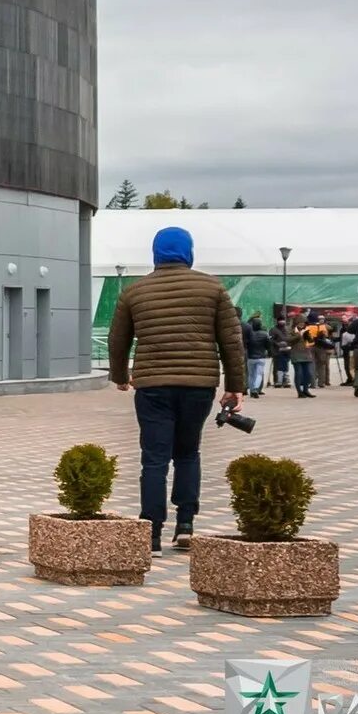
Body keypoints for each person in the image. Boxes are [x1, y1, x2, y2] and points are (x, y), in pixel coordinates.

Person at [105, 226, 245, 555]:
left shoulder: (134, 291)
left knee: (153, 459)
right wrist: (235, 387)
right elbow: (231, 342)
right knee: (187, 453)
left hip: (152, 386)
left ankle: (151, 532)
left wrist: (121, 376)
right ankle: (185, 525)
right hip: (198, 386)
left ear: (155, 253)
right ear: (189, 252)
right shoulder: (213, 289)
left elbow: (117, 340)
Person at [240, 310, 270, 398]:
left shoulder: (250, 334)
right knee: (259, 374)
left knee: (251, 374)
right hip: (261, 356)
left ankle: (251, 389)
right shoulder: (264, 334)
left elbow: (247, 343)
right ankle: (256, 389)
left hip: (250, 357)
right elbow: (268, 345)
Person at [285, 310, 313, 397]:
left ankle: (306, 390)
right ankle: (299, 392)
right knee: (299, 373)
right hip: (296, 354)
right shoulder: (291, 330)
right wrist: (299, 335)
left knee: (308, 374)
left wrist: (309, 336)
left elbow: (311, 341)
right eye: (300, 322)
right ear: (296, 322)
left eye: (303, 322)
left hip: (306, 354)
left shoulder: (306, 330)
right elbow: (288, 340)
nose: (302, 324)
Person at [268, 315, 293, 388]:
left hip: (287, 351)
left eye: (283, 320)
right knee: (277, 366)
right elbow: (271, 340)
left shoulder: (288, 329)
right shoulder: (273, 330)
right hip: (277, 351)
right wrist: (277, 344)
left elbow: (291, 338)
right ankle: (277, 381)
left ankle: (285, 381)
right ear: (277, 321)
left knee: (285, 366)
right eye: (280, 320)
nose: (282, 321)